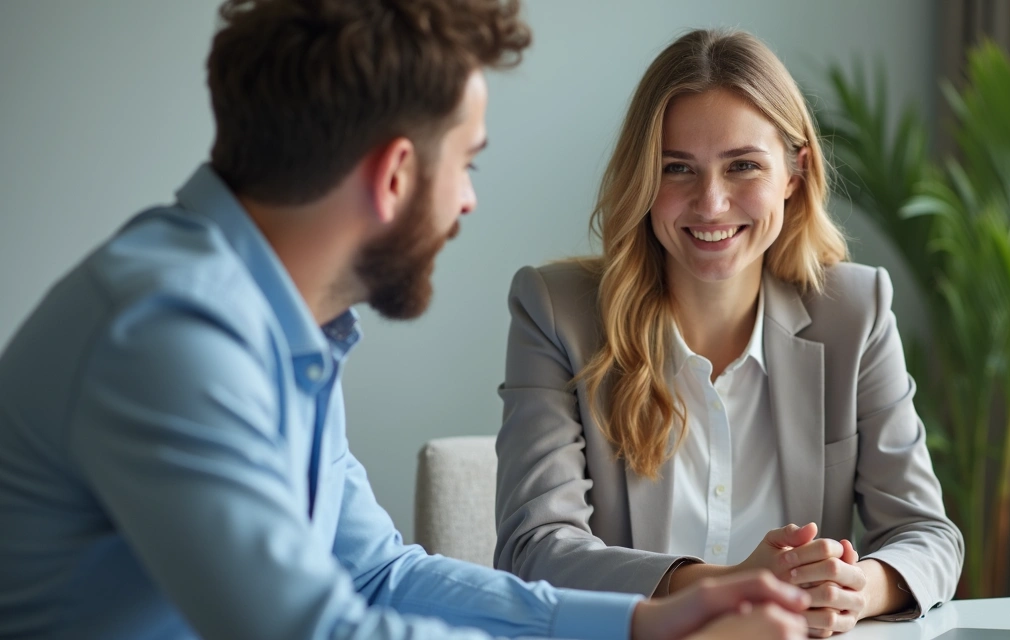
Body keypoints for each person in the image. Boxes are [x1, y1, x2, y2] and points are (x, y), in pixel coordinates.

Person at [0, 4, 815, 639]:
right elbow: (312, 631)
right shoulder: (169, 333)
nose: (467, 198)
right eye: (467, 162)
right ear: (394, 174)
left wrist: (643, 622)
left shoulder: (280, 328)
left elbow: (376, 577)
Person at [494, 28, 965, 637]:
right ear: (642, 179)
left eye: (743, 165)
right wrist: (723, 585)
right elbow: (534, 550)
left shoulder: (856, 310)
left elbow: (927, 534)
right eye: (677, 169)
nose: (711, 204)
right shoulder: (557, 310)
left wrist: (856, 589)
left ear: (795, 173)